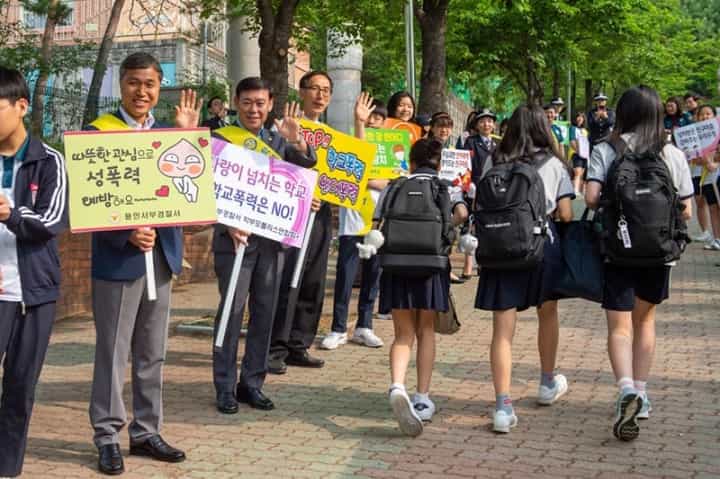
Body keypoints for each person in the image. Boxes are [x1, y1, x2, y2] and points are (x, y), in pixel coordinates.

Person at [87, 52, 200, 475]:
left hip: (163, 259)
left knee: (152, 353)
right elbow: (91, 203)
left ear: (159, 87)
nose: (142, 92)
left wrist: (187, 138)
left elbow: (190, 194)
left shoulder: (171, 136)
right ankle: (107, 435)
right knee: (113, 353)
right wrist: (125, 232)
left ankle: (146, 431)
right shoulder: (101, 134)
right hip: (119, 262)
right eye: (134, 83)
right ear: (122, 84)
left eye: (150, 84)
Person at [585, 85, 693, 441]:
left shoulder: (605, 149)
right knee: (645, 321)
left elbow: (591, 197)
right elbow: (687, 209)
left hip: (618, 249)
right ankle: (642, 394)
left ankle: (625, 387)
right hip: (658, 252)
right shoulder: (671, 153)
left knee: (619, 327)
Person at [212, 77, 316, 412]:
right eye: (247, 102)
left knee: (265, 313)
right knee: (231, 311)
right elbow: (205, 187)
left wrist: (297, 142)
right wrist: (226, 221)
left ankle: (251, 382)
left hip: (271, 243)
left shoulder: (278, 139)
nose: (254, 109)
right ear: (235, 103)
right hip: (234, 242)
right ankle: (224, 386)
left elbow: (305, 171)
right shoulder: (221, 139)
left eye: (260, 103)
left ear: (270, 104)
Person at [474, 105, 574, 434]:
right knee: (548, 313)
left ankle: (503, 406)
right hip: (540, 249)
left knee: (502, 330)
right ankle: (547, 382)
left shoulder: (493, 160)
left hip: (500, 250)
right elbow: (566, 213)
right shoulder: (554, 163)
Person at [0, 66, 68, 479]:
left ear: (21, 106)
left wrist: (11, 213)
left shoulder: (48, 161)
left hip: (32, 294)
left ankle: (7, 468)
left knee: (20, 388)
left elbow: (53, 220)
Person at [378, 138, 469, 436]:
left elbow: (377, 220)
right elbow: (462, 215)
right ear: (439, 163)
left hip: (397, 265)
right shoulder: (445, 187)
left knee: (403, 334)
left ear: (412, 163)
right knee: (425, 330)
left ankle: (396, 385)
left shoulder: (394, 186)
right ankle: (422, 399)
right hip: (431, 265)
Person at [271, 71, 333, 364]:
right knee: (287, 280)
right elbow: (275, 170)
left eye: (325, 90)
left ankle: (299, 343)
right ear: (302, 91)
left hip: (321, 216)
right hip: (291, 215)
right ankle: (276, 348)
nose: (320, 95)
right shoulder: (283, 127)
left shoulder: (333, 136)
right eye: (314, 89)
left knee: (313, 281)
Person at [324, 92, 388, 353]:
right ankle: (338, 328)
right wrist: (358, 122)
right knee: (346, 277)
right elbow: (350, 172)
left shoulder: (391, 151)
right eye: (371, 116)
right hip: (353, 223)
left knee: (373, 276)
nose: (374, 121)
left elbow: (389, 182)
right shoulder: (350, 145)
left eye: (379, 118)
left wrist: (369, 181)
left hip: (378, 225)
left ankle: (365, 326)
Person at [694, 105, 720, 250]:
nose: (705, 117)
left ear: (714, 116)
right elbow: (694, 159)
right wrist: (704, 161)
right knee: (713, 208)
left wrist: (715, 162)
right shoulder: (695, 135)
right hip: (707, 177)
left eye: (708, 114)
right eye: (702, 115)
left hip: (718, 174)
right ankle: (717, 239)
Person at [569, 110, 590, 193]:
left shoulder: (585, 131)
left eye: (581, 117)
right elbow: (572, 141)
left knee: (583, 175)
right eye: (578, 116)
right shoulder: (573, 128)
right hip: (576, 154)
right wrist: (579, 152)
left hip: (585, 155)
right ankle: (575, 191)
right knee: (577, 173)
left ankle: (582, 192)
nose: (580, 118)